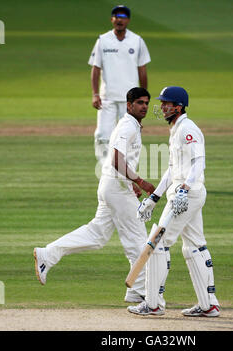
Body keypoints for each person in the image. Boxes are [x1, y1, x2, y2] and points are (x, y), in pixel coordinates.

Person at [34, 87, 155, 303]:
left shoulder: (132, 126)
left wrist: (132, 182)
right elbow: (116, 159)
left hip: (113, 185)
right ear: (129, 105)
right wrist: (140, 181)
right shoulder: (127, 126)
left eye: (146, 103)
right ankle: (141, 291)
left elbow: (121, 162)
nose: (144, 107)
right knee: (137, 240)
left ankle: (47, 254)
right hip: (116, 188)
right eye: (139, 103)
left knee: (97, 235)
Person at [127, 86, 220, 317]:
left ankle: (153, 303)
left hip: (186, 195)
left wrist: (185, 190)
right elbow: (172, 170)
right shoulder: (176, 130)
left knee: (157, 243)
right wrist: (153, 198)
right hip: (183, 194)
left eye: (166, 103)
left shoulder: (188, 129)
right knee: (194, 245)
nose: (161, 107)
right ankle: (208, 305)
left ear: (178, 107)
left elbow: (200, 162)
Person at [88, 5, 151, 169]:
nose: (119, 19)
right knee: (102, 135)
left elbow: (142, 70)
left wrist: (143, 99)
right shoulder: (103, 40)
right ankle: (105, 169)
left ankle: (129, 170)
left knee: (131, 135)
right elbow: (95, 68)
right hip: (107, 97)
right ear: (112, 20)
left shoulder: (137, 41)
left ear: (128, 20)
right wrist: (95, 94)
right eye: (116, 16)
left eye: (123, 16)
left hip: (130, 100)